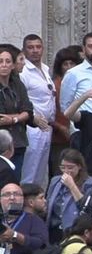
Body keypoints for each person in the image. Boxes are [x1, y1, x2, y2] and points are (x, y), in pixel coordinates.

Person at [19, 34, 56, 188]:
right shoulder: (23, 72)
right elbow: (21, 100)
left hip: (47, 126)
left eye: (38, 47)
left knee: (40, 173)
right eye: (30, 47)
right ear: (24, 50)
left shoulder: (46, 69)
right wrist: (32, 117)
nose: (35, 51)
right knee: (29, 170)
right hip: (32, 126)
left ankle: (35, 205)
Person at [0, 183, 48, 254]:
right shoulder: (2, 220)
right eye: (7, 195)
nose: (12, 198)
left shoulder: (33, 221)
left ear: (23, 199)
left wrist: (16, 236)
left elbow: (41, 245)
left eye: (16, 194)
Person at [45, 149, 92, 243]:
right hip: (54, 228)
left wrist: (72, 185)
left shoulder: (91, 182)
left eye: (70, 168)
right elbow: (48, 203)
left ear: (79, 166)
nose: (66, 171)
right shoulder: (55, 181)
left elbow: (86, 207)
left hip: (73, 230)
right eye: (63, 167)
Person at [0, 47, 35, 175]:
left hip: (18, 142)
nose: (4, 65)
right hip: (1, 142)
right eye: (0, 61)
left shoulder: (17, 84)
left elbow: (28, 110)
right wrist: (20, 116)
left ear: (13, 65)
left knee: (15, 179)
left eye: (8, 61)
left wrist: (14, 118)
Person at [51, 47, 82, 175]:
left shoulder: (81, 82)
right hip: (60, 136)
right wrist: (60, 127)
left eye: (72, 63)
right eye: (65, 64)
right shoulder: (55, 84)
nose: (69, 67)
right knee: (60, 170)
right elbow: (49, 111)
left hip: (79, 132)